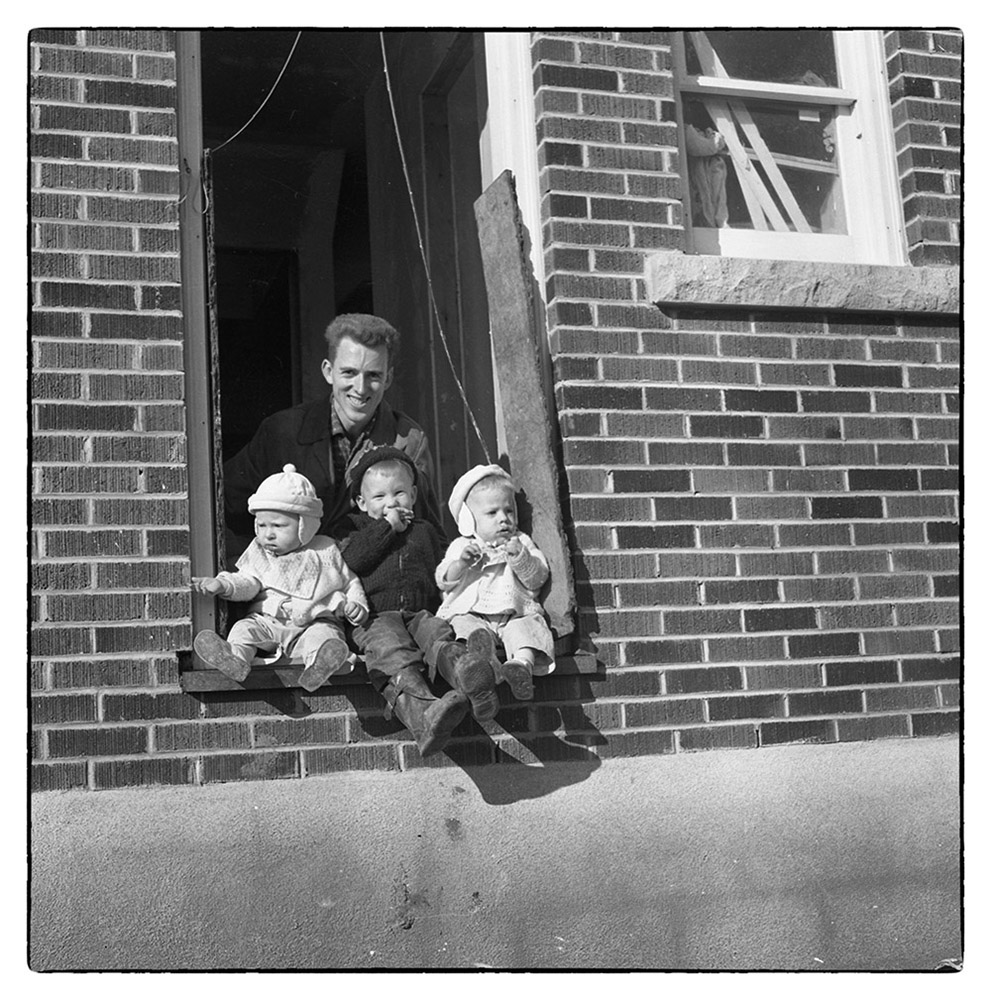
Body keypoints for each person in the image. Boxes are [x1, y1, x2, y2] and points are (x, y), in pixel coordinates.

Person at [223, 313, 442, 559]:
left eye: (373, 375)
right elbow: (224, 504)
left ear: (388, 378)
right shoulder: (282, 431)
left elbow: (427, 535)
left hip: (371, 586)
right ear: (328, 372)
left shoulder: (408, 441)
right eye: (349, 373)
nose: (360, 388)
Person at [332, 447, 500, 752]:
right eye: (379, 497)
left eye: (399, 493)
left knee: (437, 633)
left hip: (420, 611)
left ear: (412, 493)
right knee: (391, 652)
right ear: (361, 502)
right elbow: (351, 561)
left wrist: (466, 560)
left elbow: (444, 565)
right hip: (374, 618)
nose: (391, 502)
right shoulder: (355, 530)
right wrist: (388, 527)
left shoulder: (424, 530)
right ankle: (423, 716)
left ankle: (469, 675)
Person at [190, 464, 369, 693]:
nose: (268, 533)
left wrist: (357, 606)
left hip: (312, 623)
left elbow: (350, 582)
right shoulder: (259, 552)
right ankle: (235, 658)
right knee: (244, 629)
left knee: (324, 637)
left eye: (278, 526)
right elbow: (248, 582)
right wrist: (224, 584)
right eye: (262, 525)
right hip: (268, 622)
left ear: (305, 525)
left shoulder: (326, 549)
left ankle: (323, 663)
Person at [435, 464, 556, 704]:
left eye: (508, 511)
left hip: (514, 614)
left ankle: (520, 666)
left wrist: (520, 557)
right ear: (469, 520)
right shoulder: (463, 546)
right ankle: (484, 661)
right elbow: (443, 580)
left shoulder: (522, 542)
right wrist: (461, 564)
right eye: (492, 513)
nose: (503, 519)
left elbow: (537, 578)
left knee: (527, 629)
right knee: (463, 627)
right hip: (475, 613)